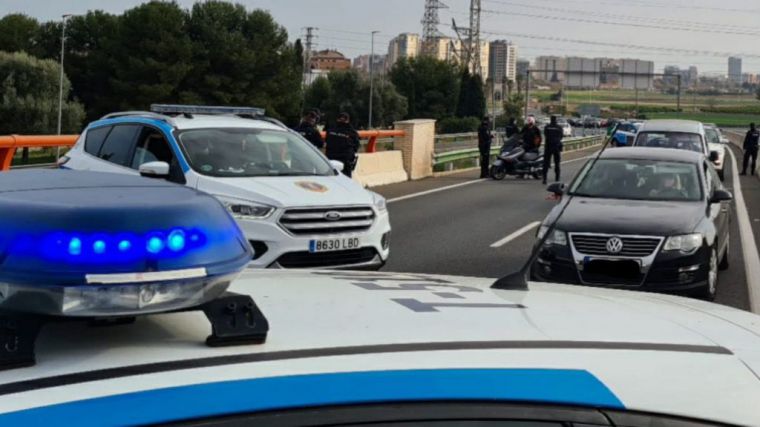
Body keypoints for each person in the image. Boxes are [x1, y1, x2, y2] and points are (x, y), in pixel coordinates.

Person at [325, 112, 360, 178]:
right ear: (348, 120)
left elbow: (326, 141)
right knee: (346, 181)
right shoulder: (352, 132)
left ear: (337, 119)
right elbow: (356, 146)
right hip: (345, 161)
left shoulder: (330, 130)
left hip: (330, 159)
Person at [542, 115, 564, 185]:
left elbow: (545, 135)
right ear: (556, 120)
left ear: (550, 120)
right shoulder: (559, 127)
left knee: (545, 164)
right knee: (557, 164)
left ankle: (544, 179)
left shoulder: (547, 127)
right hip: (556, 147)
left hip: (548, 147)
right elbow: (561, 136)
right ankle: (557, 179)